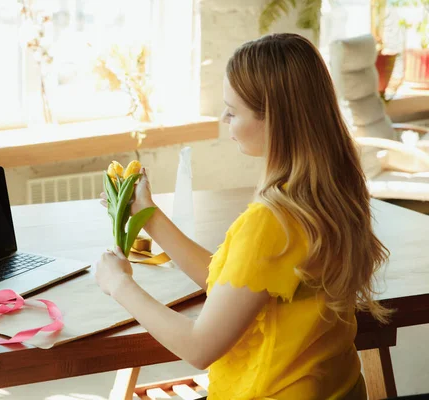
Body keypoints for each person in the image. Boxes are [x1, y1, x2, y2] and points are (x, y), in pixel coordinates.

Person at [95, 33, 388, 399]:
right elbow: (236, 287)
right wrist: (150, 217)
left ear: (276, 120)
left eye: (232, 112)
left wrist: (118, 284)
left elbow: (199, 347)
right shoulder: (331, 193)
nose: (223, 119)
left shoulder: (270, 222)